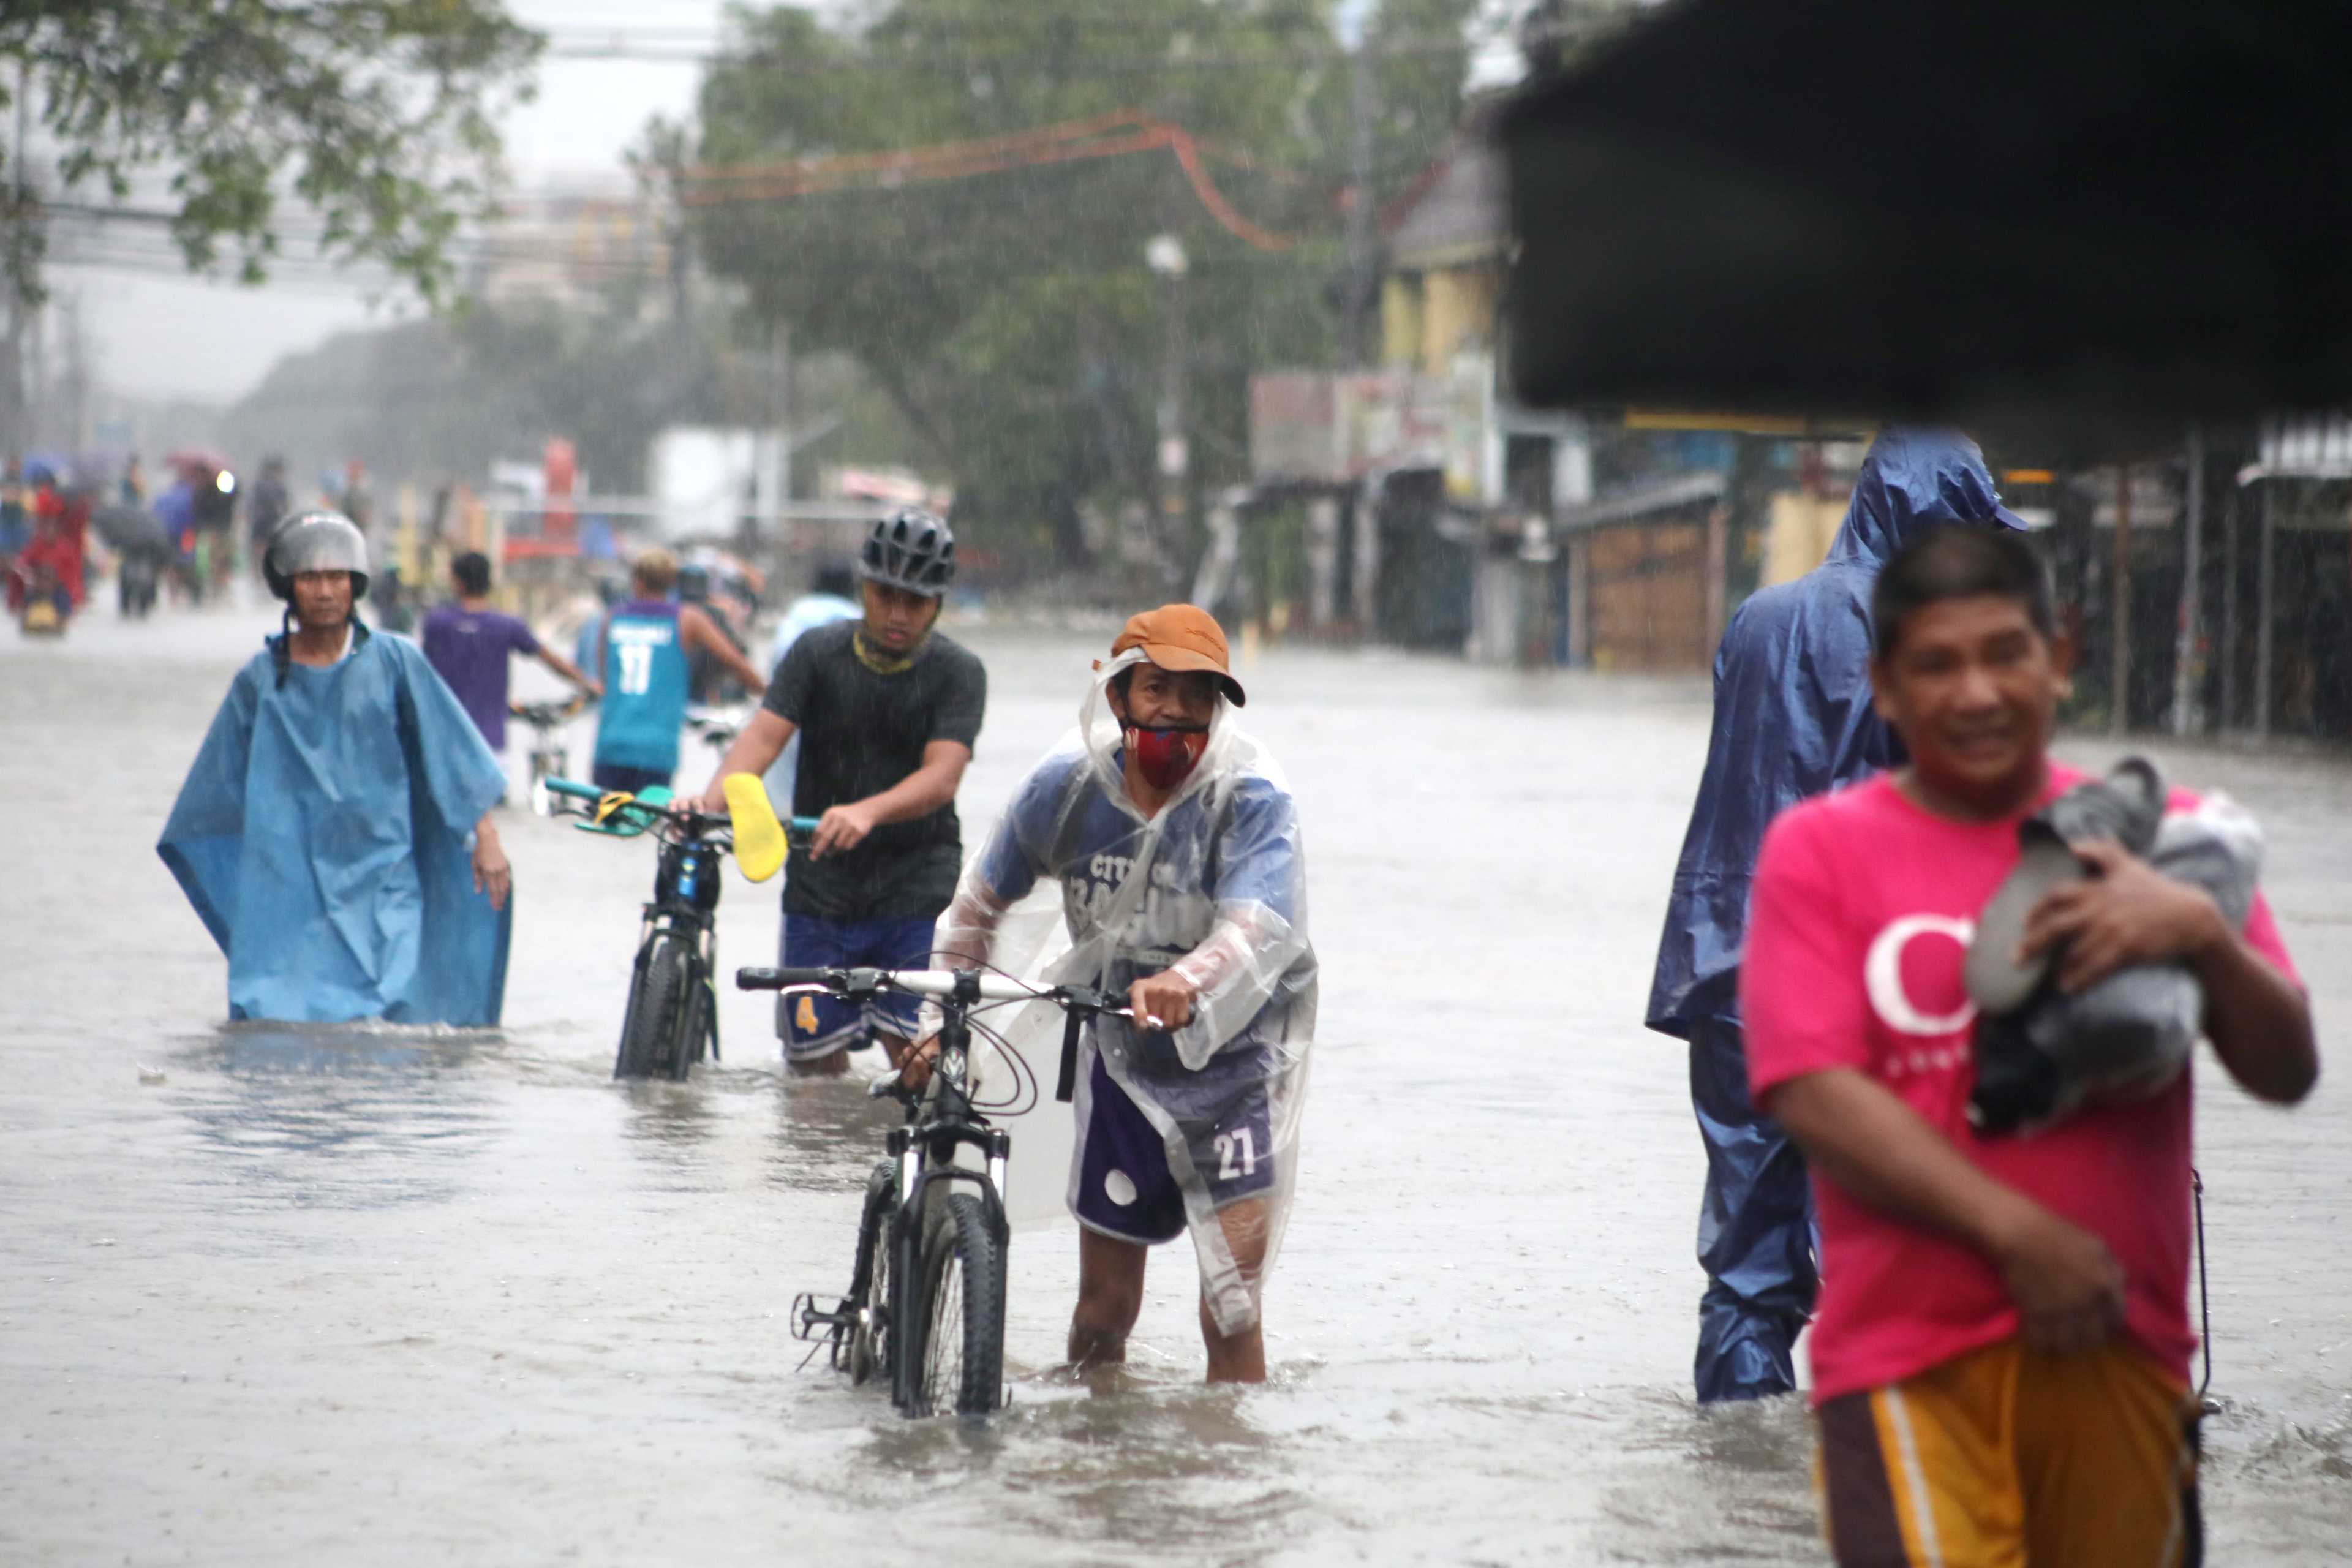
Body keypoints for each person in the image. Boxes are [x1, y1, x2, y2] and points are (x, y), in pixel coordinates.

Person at [1744, 526, 2315, 1566]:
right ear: (1882, 686)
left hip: (2125, 1358)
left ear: (2060, 654)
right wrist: (2021, 1238)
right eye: (1937, 664)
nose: (1975, 692)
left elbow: (2289, 1069)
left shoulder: (2166, 841)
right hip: (1902, 1369)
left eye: (2005, 653)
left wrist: (2200, 938)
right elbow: (1810, 1089)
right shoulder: (1820, 852)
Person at [1645, 429, 2029, 1403]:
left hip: (1735, 975)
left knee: (1748, 1262)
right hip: (1871, 989)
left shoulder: (1759, 619)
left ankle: (1739, 1491)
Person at [914, 605, 1315, 1384]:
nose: (1175, 712)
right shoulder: (1070, 787)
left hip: (1239, 1069)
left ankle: (1230, 1482)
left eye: (1197, 696)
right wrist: (939, 1024)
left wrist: (1186, 979)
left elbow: (1260, 928)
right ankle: (1099, 1462)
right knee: (1104, 1308)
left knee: (1230, 1305)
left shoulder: (1251, 797)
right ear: (1121, 695)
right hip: (1122, 1059)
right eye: (1158, 688)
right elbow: (977, 908)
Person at [157, 513, 514, 1025]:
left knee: (390, 1010)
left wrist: (486, 836)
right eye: (310, 578)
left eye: (336, 577)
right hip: (289, 882)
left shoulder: (396, 662)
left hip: (381, 867)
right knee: (280, 1018)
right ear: (289, 588)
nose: (325, 591)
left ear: (355, 585)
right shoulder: (259, 681)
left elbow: (450, 748)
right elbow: (213, 795)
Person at [694, 510, 984, 1075]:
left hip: (915, 888)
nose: (898, 614)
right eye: (885, 594)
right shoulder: (815, 653)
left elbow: (942, 776)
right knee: (812, 1080)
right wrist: (705, 805)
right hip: (820, 892)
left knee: (917, 1065)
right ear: (863, 587)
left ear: (939, 603)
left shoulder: (959, 672)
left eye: (916, 601)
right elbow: (761, 738)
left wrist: (867, 811)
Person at [590, 546, 766, 796]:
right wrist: (775, 697)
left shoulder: (613, 618)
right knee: (648, 825)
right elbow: (735, 662)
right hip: (656, 749)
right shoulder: (687, 619)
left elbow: (605, 677)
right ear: (672, 582)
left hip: (611, 744)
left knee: (608, 820)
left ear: (636, 582)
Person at [420, 551, 600, 758]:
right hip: (489, 741)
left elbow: (422, 674)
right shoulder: (506, 626)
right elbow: (551, 660)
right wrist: (587, 683)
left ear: (458, 582)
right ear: (489, 582)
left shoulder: (437, 623)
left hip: (445, 737)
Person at [758, 562, 862, 815]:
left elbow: (774, 670)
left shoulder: (795, 616)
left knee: (785, 808)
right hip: (845, 723)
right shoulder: (859, 618)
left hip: (786, 721)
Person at [246, 456, 290, 572]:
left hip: (260, 524)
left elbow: (250, 505)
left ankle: (258, 572)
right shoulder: (279, 487)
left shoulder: (258, 485)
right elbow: (285, 507)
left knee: (259, 550)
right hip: (272, 524)